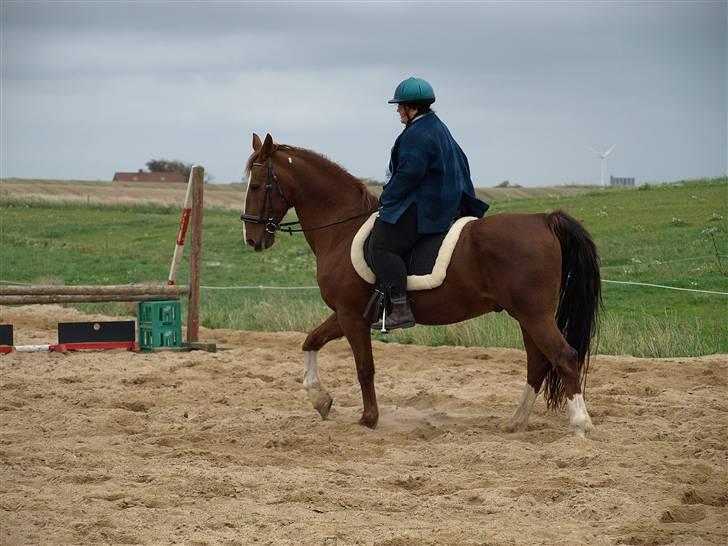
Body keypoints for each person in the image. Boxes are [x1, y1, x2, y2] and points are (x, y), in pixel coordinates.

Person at [368, 77, 489, 330]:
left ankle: (400, 308)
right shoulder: (438, 127)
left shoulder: (417, 134)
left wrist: (386, 198)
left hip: (430, 208)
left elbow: (408, 175)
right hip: (452, 202)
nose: (397, 111)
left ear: (412, 108)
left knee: (380, 246)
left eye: (400, 106)